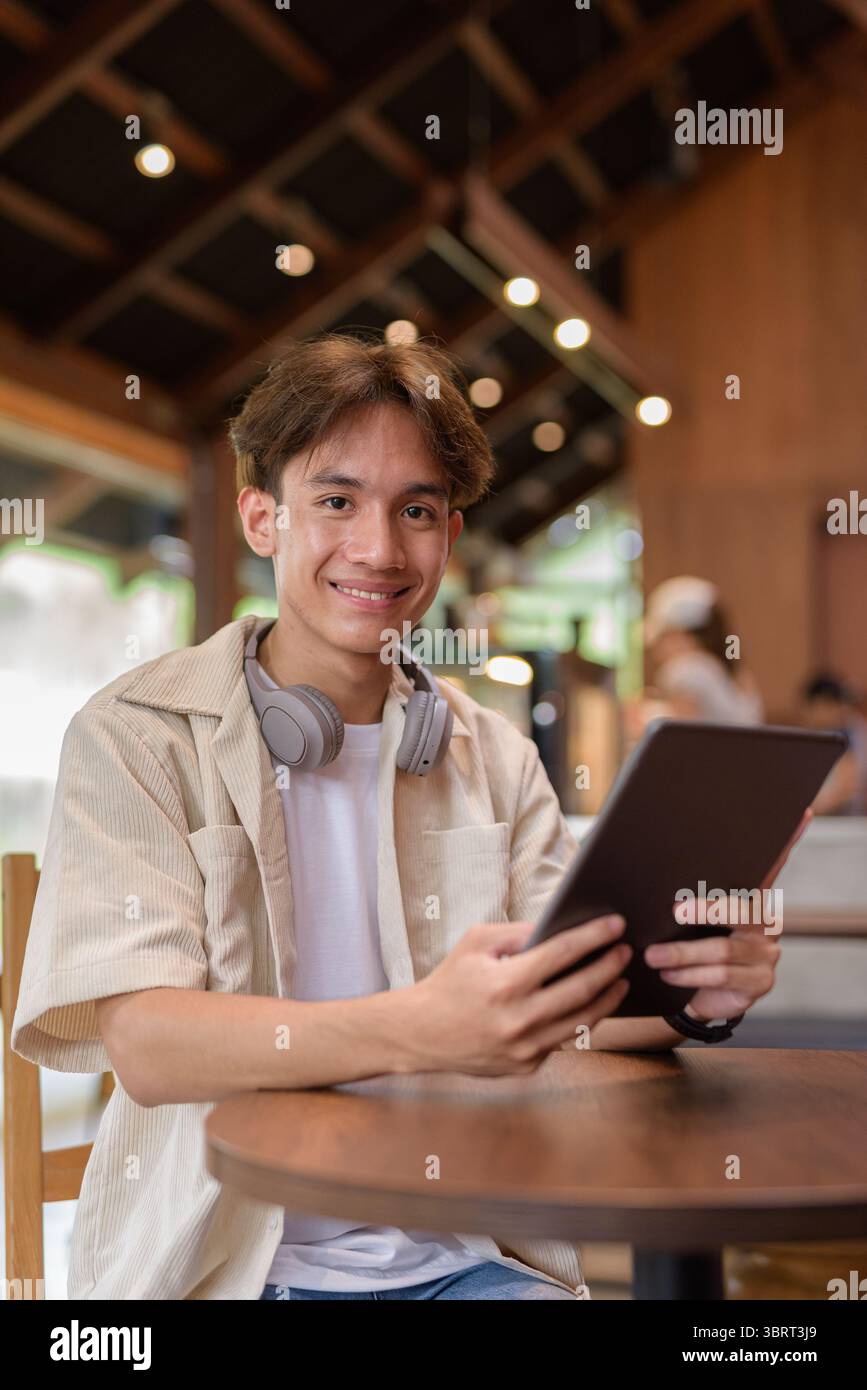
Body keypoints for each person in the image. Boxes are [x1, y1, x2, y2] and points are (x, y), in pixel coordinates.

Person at [12, 334, 793, 1301]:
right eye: (336, 501)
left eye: (415, 510)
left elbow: (565, 1010)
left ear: (448, 538)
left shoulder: (492, 754)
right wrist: (420, 1028)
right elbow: (146, 1044)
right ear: (262, 518)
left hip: (471, 1262)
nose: (378, 550)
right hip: (224, 1274)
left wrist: (691, 995)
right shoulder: (138, 736)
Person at [643, 576, 764, 725]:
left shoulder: (685, 670)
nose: (655, 649)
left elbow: (683, 734)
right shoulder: (734, 672)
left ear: (679, 634)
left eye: (661, 637)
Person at [800, 672, 867, 815]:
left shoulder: (846, 737)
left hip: (840, 818)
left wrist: (814, 807)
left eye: (830, 706)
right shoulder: (802, 738)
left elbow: (847, 787)